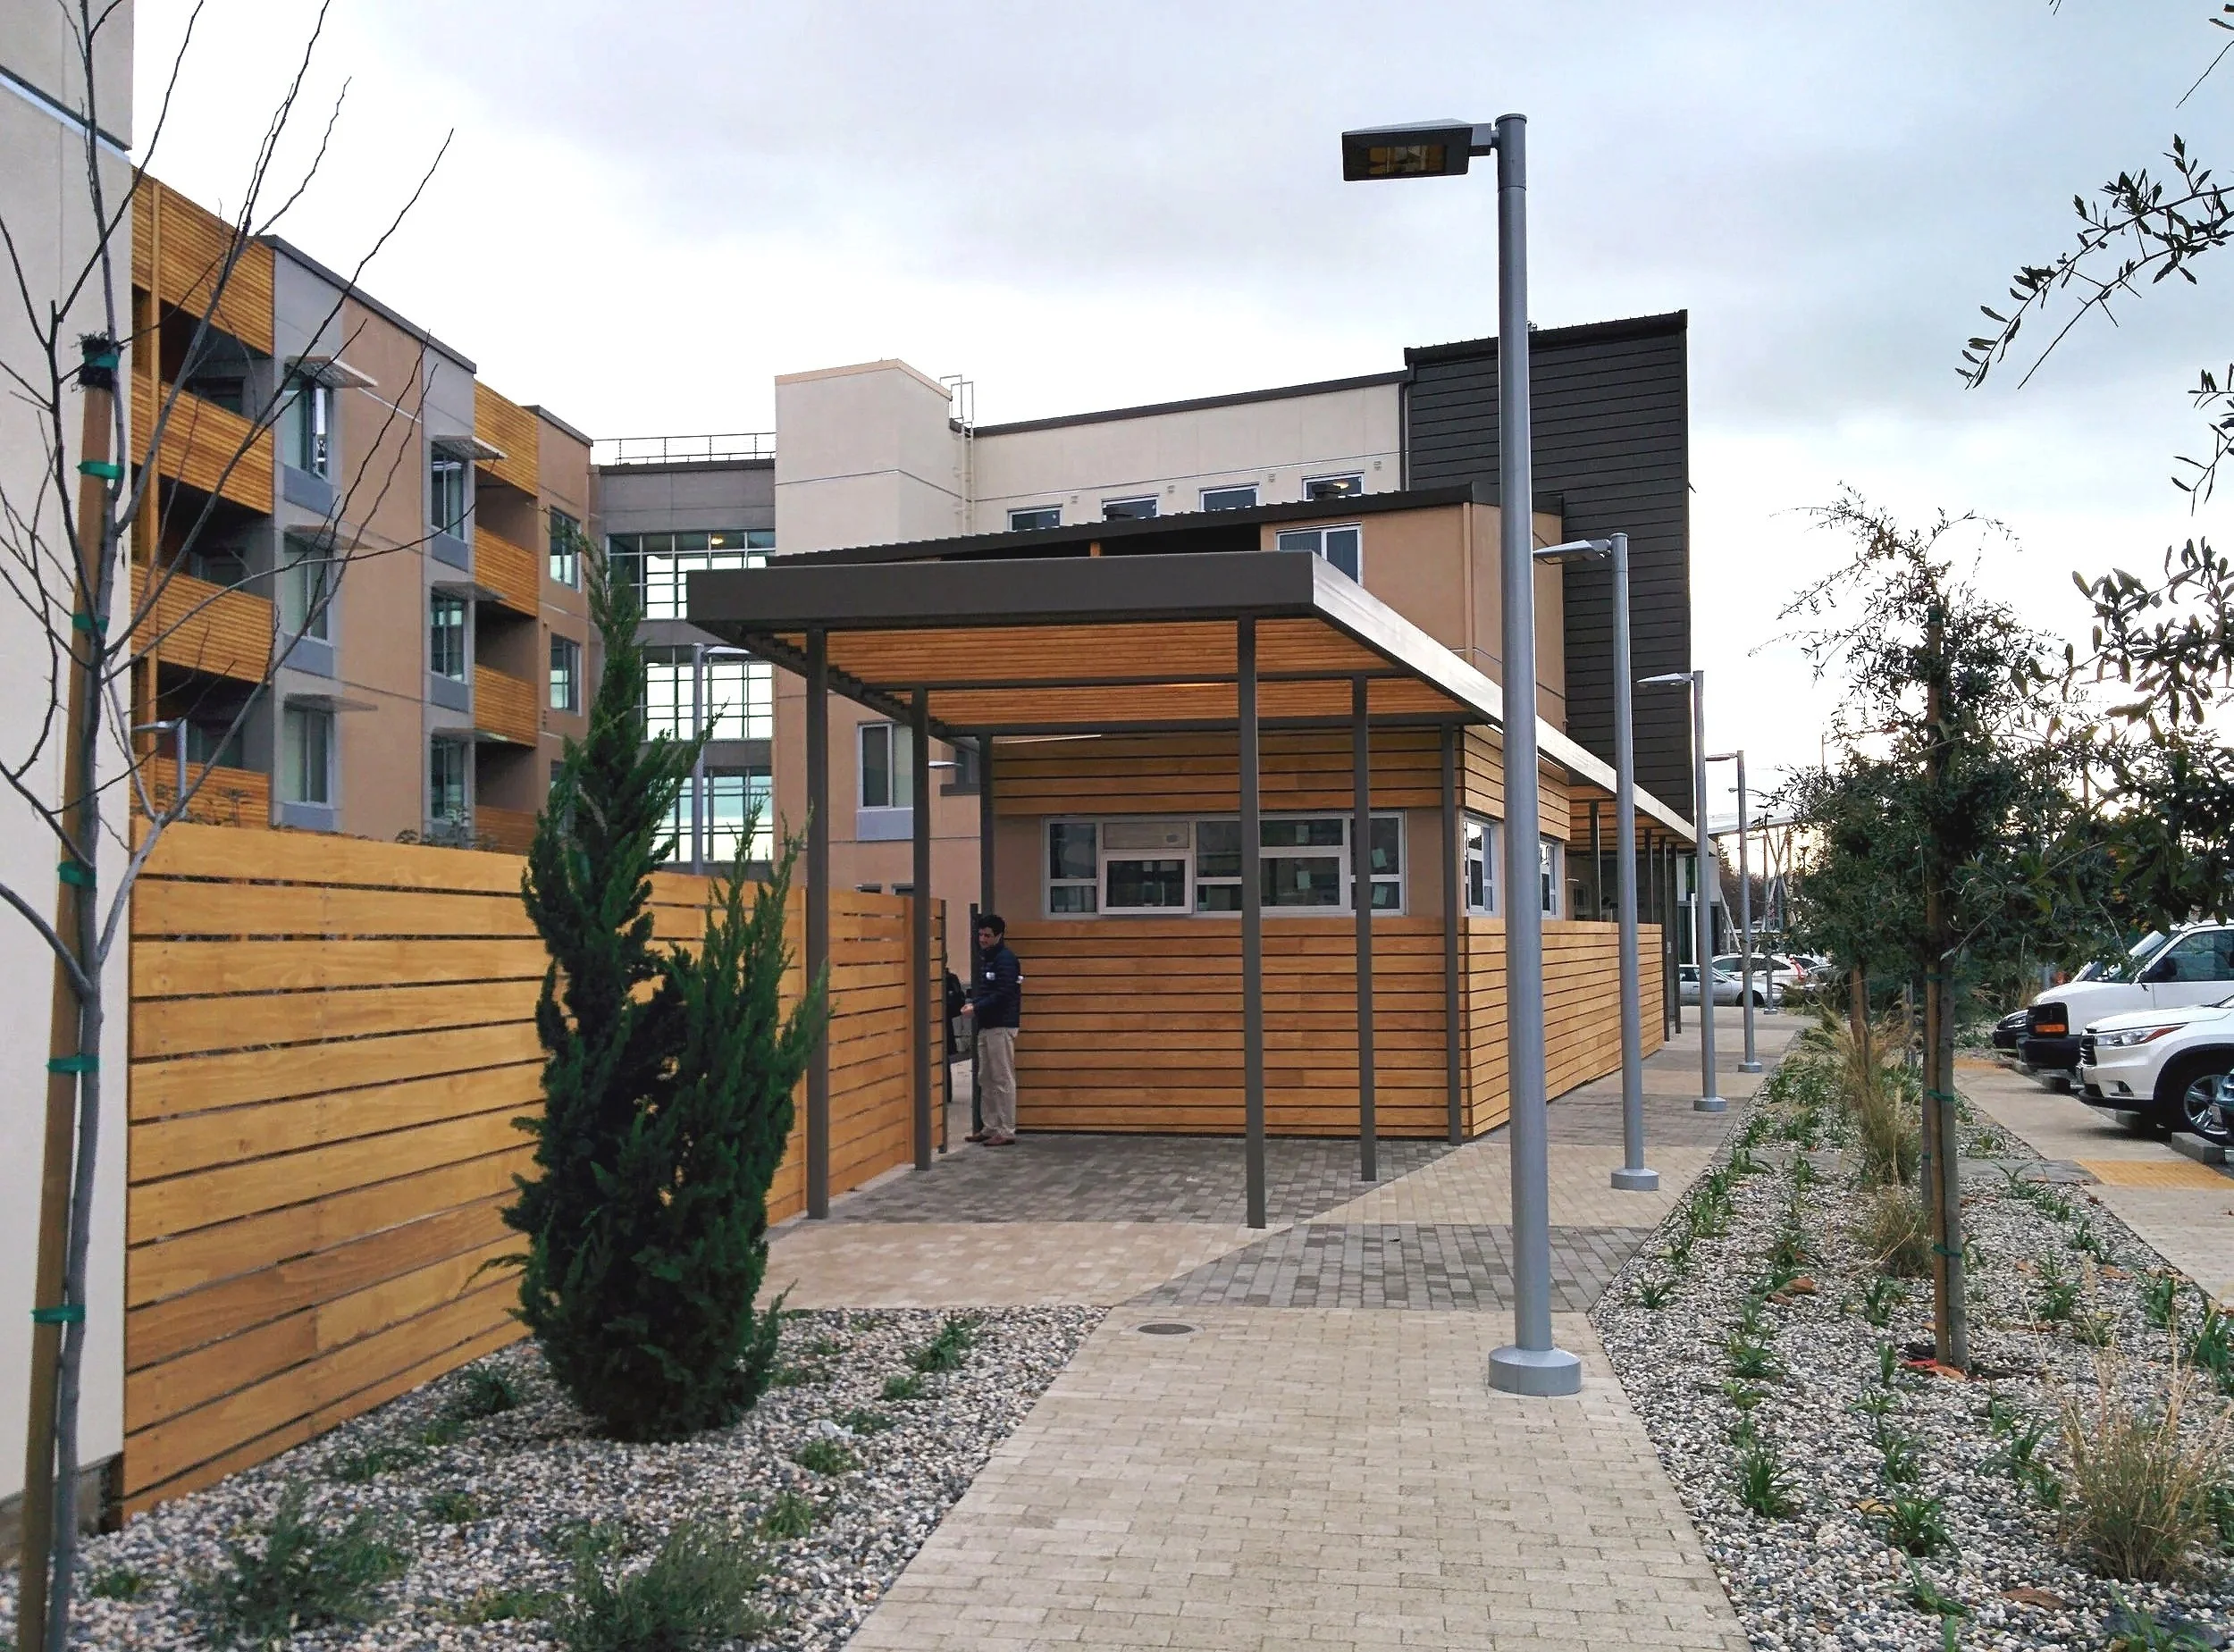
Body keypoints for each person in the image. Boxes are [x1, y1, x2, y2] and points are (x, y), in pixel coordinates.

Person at [961, 913, 1021, 1146]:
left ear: (999, 935)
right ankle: (990, 1126)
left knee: (1002, 1078)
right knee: (985, 1077)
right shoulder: (989, 958)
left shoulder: (1005, 959)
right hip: (987, 1026)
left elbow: (1004, 994)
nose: (982, 939)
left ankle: (1006, 1130)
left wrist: (976, 1007)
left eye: (987, 935)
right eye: (980, 934)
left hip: (1001, 1026)